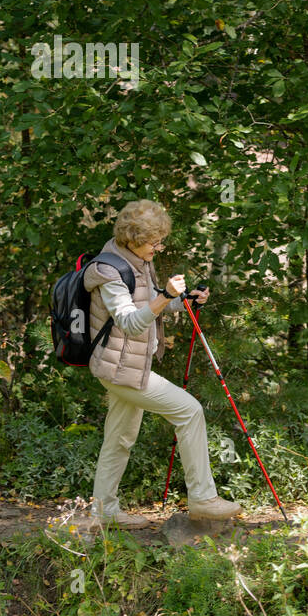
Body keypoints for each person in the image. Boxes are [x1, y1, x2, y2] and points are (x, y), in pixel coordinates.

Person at [84, 199, 241, 528]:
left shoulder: (137, 260)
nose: (159, 246)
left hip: (128, 366)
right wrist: (166, 296)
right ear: (133, 238)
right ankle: (202, 498)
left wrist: (184, 302)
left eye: (160, 240)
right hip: (120, 369)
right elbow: (129, 322)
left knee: (119, 438)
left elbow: (151, 304)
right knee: (190, 410)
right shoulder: (109, 271)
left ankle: (104, 512)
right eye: (154, 241)